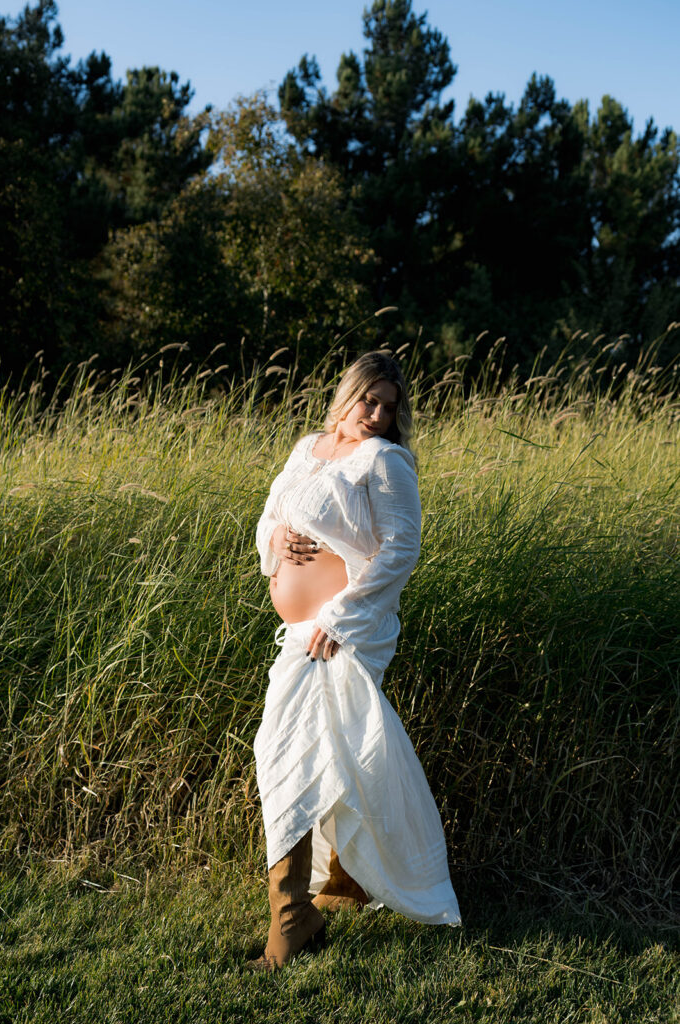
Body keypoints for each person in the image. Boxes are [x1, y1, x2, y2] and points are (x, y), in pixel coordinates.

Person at [249, 350, 461, 972]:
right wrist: (276, 539)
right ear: (348, 394)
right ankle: (341, 884)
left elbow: (401, 549)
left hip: (344, 634)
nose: (377, 415)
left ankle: (292, 916)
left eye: (389, 408)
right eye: (369, 400)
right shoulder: (306, 449)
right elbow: (270, 516)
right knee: (331, 753)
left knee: (288, 750)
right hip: (301, 633)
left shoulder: (385, 461)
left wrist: (339, 619)